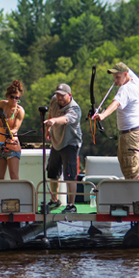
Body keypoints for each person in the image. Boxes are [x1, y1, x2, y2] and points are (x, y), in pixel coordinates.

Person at [93, 62, 139, 179]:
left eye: (118, 77)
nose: (115, 80)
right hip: (131, 132)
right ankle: (134, 194)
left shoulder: (125, 89)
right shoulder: (136, 81)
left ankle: (137, 196)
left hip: (130, 134)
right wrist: (119, 68)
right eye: (114, 77)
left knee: (130, 170)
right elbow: (127, 69)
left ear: (125, 75)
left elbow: (115, 104)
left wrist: (103, 115)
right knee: (126, 165)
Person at [43, 83, 82, 213]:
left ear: (69, 95)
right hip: (57, 142)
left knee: (69, 175)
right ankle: (55, 200)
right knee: (52, 172)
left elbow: (65, 119)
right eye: (58, 94)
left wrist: (54, 121)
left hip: (70, 143)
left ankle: (71, 205)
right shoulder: (54, 100)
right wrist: (48, 129)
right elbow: (51, 114)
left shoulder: (75, 109)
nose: (59, 97)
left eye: (62, 95)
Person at [0, 80, 25, 180]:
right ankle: (1, 196)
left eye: (17, 98)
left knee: (14, 176)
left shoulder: (20, 111)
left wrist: (10, 132)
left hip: (13, 146)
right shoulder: (3, 104)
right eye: (12, 97)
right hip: (0, 146)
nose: (14, 100)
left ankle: (17, 195)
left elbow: (16, 128)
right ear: (7, 96)